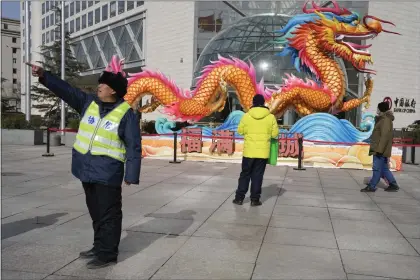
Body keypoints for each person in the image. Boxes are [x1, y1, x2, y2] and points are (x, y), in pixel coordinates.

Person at [26, 56, 141, 269]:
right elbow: (66, 90)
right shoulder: (89, 103)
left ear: (113, 91)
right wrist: (44, 76)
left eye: (103, 85)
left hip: (107, 172)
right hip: (86, 169)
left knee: (109, 214)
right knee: (96, 212)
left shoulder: (126, 114)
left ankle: (107, 254)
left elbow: (134, 146)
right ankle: (98, 247)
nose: (99, 87)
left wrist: (131, 175)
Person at [233, 94, 279, 206]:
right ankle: (255, 200)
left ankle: (239, 198)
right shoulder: (271, 117)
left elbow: (240, 131)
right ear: (263, 103)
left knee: (245, 174)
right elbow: (275, 134)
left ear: (253, 103)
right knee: (257, 176)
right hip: (262, 153)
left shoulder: (246, 116)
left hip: (249, 152)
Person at [361, 101, 399, 192]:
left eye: (378, 108)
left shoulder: (385, 120)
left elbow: (384, 136)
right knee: (384, 169)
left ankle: (372, 186)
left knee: (377, 168)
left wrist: (379, 149)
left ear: (381, 109)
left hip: (379, 149)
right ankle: (393, 184)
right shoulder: (383, 119)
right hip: (381, 149)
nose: (377, 109)